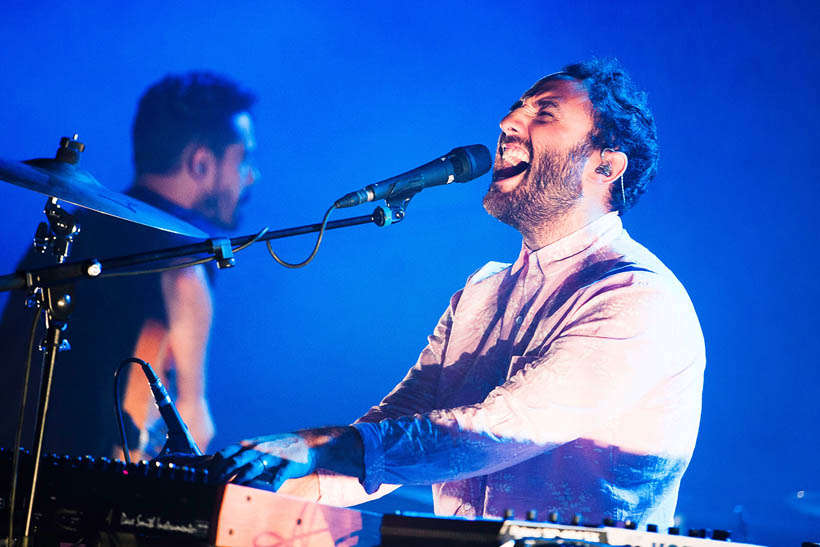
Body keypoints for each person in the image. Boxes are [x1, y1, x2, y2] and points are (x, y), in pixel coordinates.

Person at [215, 57, 704, 528]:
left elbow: (499, 428)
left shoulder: (637, 296)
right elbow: (397, 429)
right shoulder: (480, 291)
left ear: (607, 166)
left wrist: (317, 448)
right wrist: (240, 482)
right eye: (517, 106)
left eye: (544, 113)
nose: (508, 120)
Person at [0, 72, 257, 459]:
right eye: (243, 158)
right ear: (202, 162)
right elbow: (192, 426)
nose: (252, 175)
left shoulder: (66, 233)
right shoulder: (185, 263)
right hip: (97, 494)